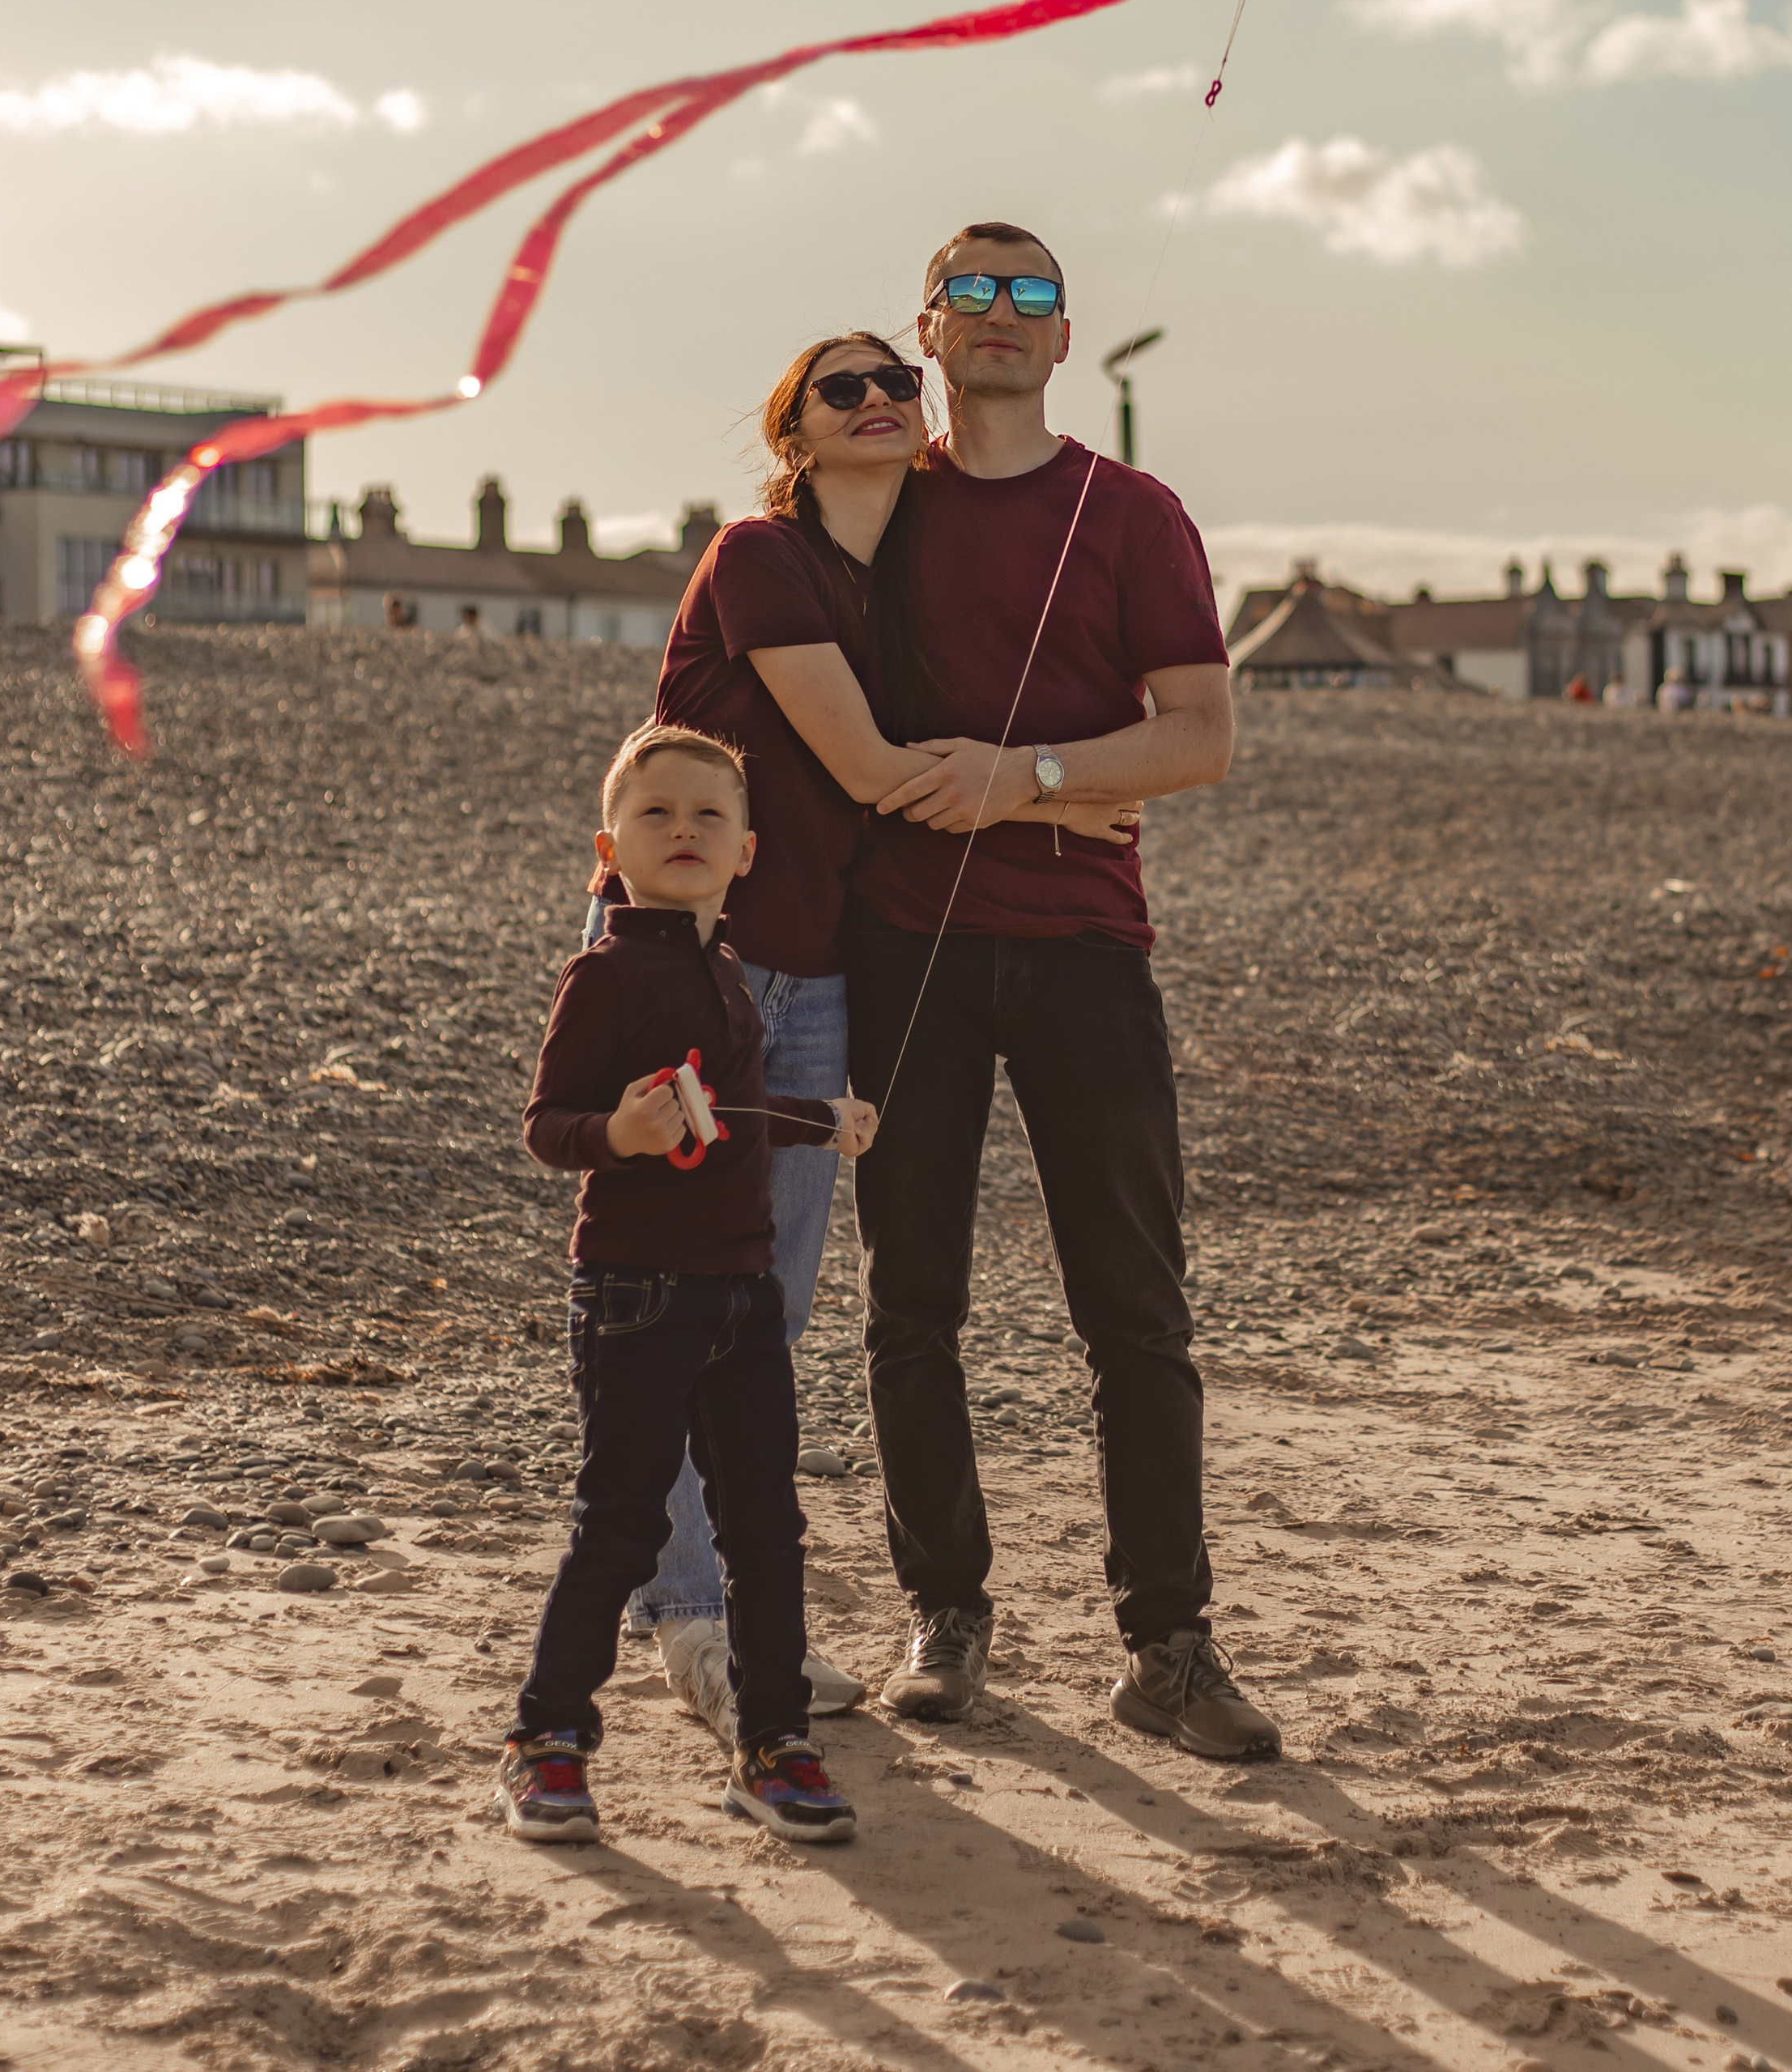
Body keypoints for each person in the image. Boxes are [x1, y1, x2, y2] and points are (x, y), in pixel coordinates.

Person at [594, 332, 1136, 1738]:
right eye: (845, 387)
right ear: (795, 428)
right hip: (690, 970)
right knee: (681, 1307)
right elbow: (871, 769)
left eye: (899, 381)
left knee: (761, 1319)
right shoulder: (761, 559)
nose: (884, 401)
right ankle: (694, 1627)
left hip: (814, 978)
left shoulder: (882, 585)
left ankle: (736, 1620)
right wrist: (1064, 803)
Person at [844, 220, 1282, 1761]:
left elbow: (1202, 737)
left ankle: (1168, 1644)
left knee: (1137, 1312)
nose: (1002, 315)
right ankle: (946, 1617)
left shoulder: (1135, 513)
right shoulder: (875, 507)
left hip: (1091, 948)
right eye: (973, 290)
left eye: (1032, 294)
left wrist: (1027, 779)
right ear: (930, 326)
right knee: (914, 1304)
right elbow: (788, 685)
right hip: (907, 946)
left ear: (1066, 332)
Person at [498, 721, 878, 1849]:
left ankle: (772, 1742)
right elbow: (546, 1124)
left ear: (748, 850)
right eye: (658, 814)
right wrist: (616, 1128)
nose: (685, 831)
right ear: (609, 848)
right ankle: (547, 1736)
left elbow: (742, 1111)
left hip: (742, 1297)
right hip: (633, 1296)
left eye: (710, 815)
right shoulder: (604, 972)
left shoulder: (726, 970)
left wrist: (827, 1119)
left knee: (766, 1528)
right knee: (618, 1523)